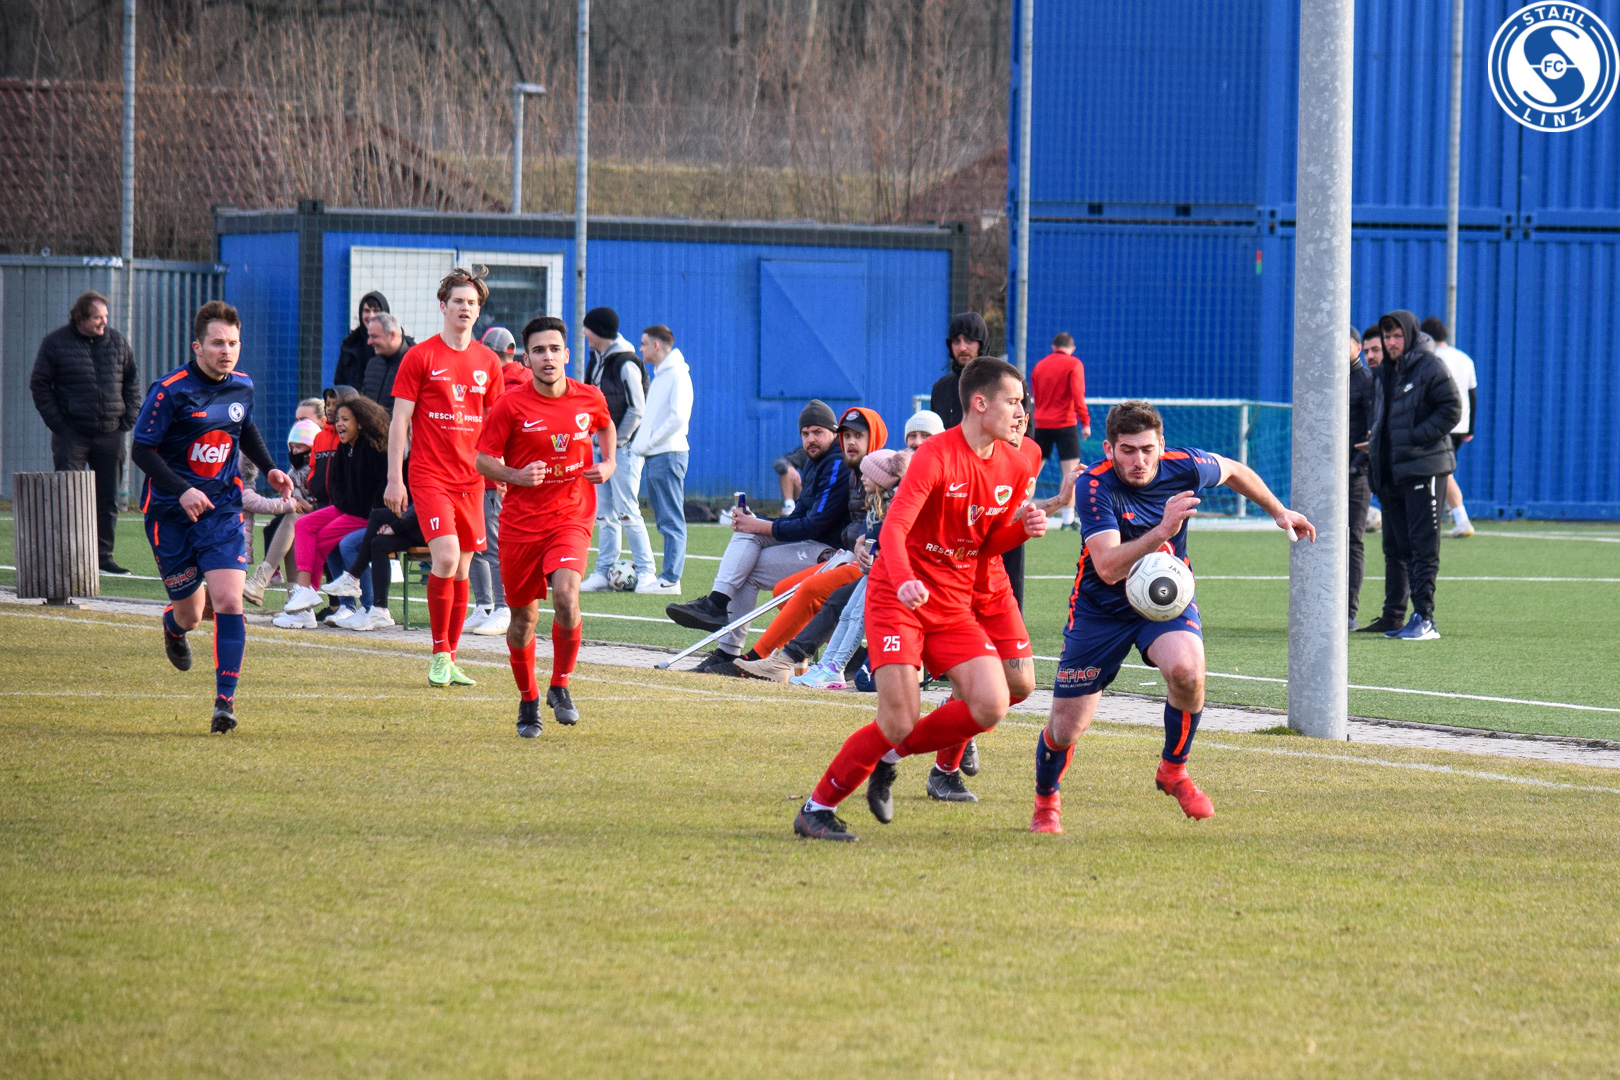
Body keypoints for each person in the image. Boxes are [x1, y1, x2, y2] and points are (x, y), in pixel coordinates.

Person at [1027, 400, 1314, 835]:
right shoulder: (1094, 486)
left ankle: (1173, 770)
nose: (1138, 461)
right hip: (1100, 611)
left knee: (1188, 672)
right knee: (1066, 729)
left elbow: (1235, 470)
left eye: (1147, 449)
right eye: (1127, 450)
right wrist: (1162, 530)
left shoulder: (1185, 465)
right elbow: (1108, 567)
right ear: (1109, 449)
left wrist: (1279, 511)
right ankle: (1046, 800)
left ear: (1162, 445)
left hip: (1163, 603)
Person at [793, 359, 1045, 842]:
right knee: (899, 718)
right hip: (897, 597)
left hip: (951, 602)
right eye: (1013, 402)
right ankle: (816, 808)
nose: (1021, 413)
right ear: (979, 403)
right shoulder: (935, 455)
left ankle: (889, 757)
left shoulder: (1014, 463)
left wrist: (1022, 530)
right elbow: (895, 528)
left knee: (993, 702)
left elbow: (986, 542)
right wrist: (905, 579)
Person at [129, 300, 291, 733]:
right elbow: (141, 450)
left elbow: (245, 427)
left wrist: (270, 467)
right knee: (190, 614)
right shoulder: (170, 391)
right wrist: (182, 490)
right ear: (197, 346)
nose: (227, 351)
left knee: (229, 601)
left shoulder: (242, 386)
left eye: (233, 343)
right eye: (218, 343)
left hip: (222, 510)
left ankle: (225, 702)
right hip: (170, 514)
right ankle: (173, 627)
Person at [476, 315, 615, 735]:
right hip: (521, 525)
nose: (548, 357)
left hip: (571, 515)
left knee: (568, 596)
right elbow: (483, 459)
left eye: (554, 349)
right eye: (539, 350)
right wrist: (515, 476)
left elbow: (606, 425)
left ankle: (561, 684)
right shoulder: (510, 404)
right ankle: (529, 699)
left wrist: (609, 462)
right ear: (527, 358)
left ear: (567, 354)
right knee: (523, 621)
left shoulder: (589, 397)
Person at [665, 399, 852, 676]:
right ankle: (719, 617)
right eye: (805, 433)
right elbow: (798, 516)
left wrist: (761, 525)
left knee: (747, 563)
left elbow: (814, 526)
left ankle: (722, 627)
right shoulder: (815, 461)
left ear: (834, 433)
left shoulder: (836, 462)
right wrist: (758, 522)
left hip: (830, 552)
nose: (810, 439)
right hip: (813, 543)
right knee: (746, 538)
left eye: (817, 432)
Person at [384, 267, 506, 687]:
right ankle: (438, 655)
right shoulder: (420, 357)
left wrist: (502, 469)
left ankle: (451, 658)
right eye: (458, 301)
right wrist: (395, 479)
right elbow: (400, 421)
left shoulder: (489, 362)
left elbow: (496, 423)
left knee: (462, 570)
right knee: (448, 558)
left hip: (472, 480)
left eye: (472, 303)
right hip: (429, 476)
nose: (465, 308)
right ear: (443, 306)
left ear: (479, 310)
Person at [733, 406, 886, 681]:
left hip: (871, 563)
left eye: (858, 436)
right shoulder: (853, 472)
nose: (851, 442)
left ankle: (763, 658)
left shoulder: (881, 471)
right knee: (785, 590)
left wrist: (866, 546)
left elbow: (881, 522)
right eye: (847, 436)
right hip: (850, 556)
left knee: (811, 589)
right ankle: (854, 660)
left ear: (873, 437)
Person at [1358, 310, 1460, 642]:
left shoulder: (1430, 366)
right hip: (1393, 472)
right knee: (1401, 546)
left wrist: (1416, 436)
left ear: (1411, 335)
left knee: (1423, 545)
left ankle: (1425, 617)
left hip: (1424, 468)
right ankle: (1405, 616)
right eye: (1387, 336)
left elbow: (1452, 408)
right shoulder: (1384, 373)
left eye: (1397, 336)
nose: (1391, 342)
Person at [29, 290, 141, 574]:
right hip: (71, 435)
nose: (104, 322)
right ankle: (67, 558)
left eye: (105, 317)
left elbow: (132, 380)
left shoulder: (117, 342)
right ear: (80, 318)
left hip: (111, 433)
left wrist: (127, 418)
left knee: (107, 498)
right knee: (67, 496)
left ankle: (103, 557)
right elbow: (40, 384)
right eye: (97, 318)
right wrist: (59, 425)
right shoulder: (55, 343)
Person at [277, 394, 390, 627]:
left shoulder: (374, 449)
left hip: (367, 515)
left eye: (345, 420)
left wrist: (363, 510)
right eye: (337, 419)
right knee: (303, 524)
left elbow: (379, 492)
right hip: (346, 510)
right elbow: (337, 487)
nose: (339, 424)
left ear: (361, 423)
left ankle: (315, 603)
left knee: (327, 540)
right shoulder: (344, 449)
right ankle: (305, 595)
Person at [580, 306, 656, 591]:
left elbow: (637, 408)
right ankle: (603, 571)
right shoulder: (596, 360)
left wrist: (619, 440)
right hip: (599, 447)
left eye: (588, 328)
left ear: (599, 330)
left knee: (627, 511)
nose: (584, 333)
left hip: (625, 449)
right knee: (605, 513)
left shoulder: (626, 363)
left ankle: (647, 571)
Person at [463, 326, 523, 637]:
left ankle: (503, 606)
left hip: (494, 474)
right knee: (474, 543)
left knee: (492, 544)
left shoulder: (508, 385)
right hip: (479, 470)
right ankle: (485, 605)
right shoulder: (505, 380)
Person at [630, 324, 693, 594]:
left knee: (670, 518)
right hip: (658, 454)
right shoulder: (661, 375)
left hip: (668, 454)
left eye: (644, 343)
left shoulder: (677, 374)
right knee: (665, 518)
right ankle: (668, 576)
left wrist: (651, 441)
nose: (640, 348)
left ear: (656, 345)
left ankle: (670, 579)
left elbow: (678, 417)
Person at [243, 418, 320, 606]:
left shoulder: (316, 469)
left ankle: (262, 578)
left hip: (322, 518)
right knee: (293, 522)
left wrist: (311, 507)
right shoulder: (294, 471)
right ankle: (295, 598)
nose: (295, 452)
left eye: (299, 448)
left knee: (294, 518)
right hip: (302, 520)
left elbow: (326, 496)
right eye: (293, 448)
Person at [1421, 316, 1478, 539]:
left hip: (1440, 424)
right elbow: (1472, 394)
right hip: (1461, 424)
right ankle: (1452, 518)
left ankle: (1461, 519)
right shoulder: (1464, 358)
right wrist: (1470, 428)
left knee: (1441, 471)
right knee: (1441, 471)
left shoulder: (1431, 358)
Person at [1030, 331, 1092, 530]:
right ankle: (1067, 519)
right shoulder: (1074, 364)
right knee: (1070, 473)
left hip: (1042, 424)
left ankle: (1020, 510)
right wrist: (1085, 422)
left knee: (1031, 473)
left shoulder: (1039, 366)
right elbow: (1078, 395)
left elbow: (1036, 395)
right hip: (1065, 424)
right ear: (1072, 348)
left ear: (1053, 347)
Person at [1348, 326, 1375, 630]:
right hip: (1328, 478)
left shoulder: (1365, 381)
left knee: (1352, 541)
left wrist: (1357, 466)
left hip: (1356, 476)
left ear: (1356, 348)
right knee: (1318, 539)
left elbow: (1371, 430)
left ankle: (1348, 612)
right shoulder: (1327, 379)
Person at [928, 311, 989, 429]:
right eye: (956, 341)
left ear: (982, 344)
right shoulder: (941, 388)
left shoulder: (1004, 385)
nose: (962, 348)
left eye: (969, 340)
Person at [361, 312, 415, 413]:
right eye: (369, 336)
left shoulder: (415, 364)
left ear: (392, 335)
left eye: (374, 336)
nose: (369, 342)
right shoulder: (373, 365)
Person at [335, 291, 388, 390]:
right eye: (367, 311)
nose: (371, 316)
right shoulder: (349, 344)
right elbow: (339, 384)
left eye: (376, 311)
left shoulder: (397, 346)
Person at [773, 444, 809, 515]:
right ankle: (790, 507)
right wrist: (789, 467)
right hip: (808, 494)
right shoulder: (806, 451)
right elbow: (780, 462)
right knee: (786, 470)